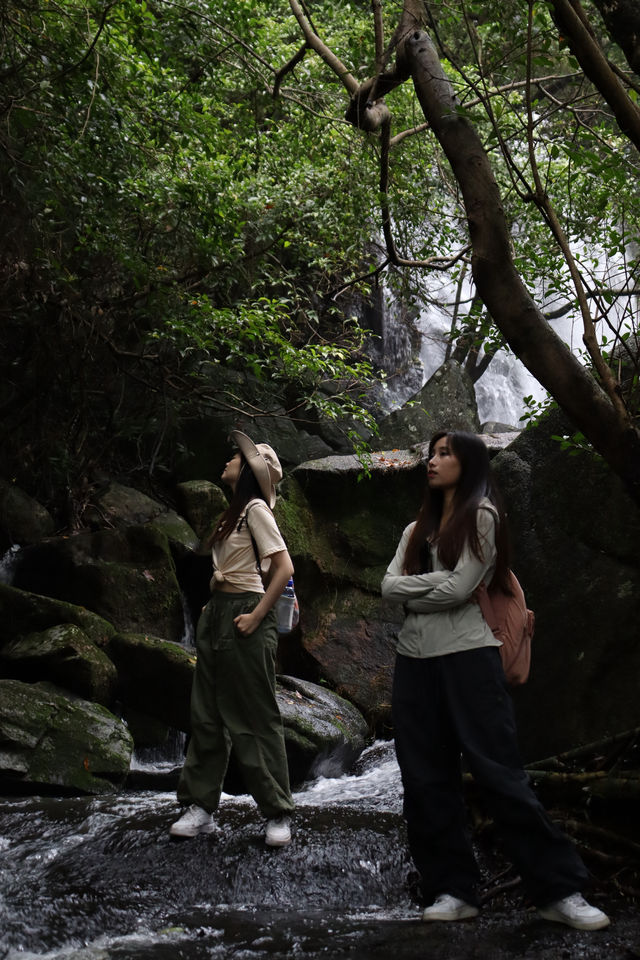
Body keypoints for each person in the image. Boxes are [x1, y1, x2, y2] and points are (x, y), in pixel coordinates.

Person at [381, 430, 609, 931]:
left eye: (445, 454)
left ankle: (558, 890)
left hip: (469, 656)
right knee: (423, 779)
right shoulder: (413, 529)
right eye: (431, 454)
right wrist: (431, 590)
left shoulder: (481, 514)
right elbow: (387, 588)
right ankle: (452, 889)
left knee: (499, 773)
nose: (433, 461)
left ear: (470, 463)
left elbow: (463, 586)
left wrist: (415, 591)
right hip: (414, 661)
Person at [170, 430, 295, 847]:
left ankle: (277, 813)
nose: (228, 460)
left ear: (246, 472)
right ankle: (201, 807)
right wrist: (212, 606)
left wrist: (256, 616)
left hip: (246, 613)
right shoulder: (233, 513)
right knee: (206, 713)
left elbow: (283, 569)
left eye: (235, 458)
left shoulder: (257, 508)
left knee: (255, 715)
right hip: (219, 613)